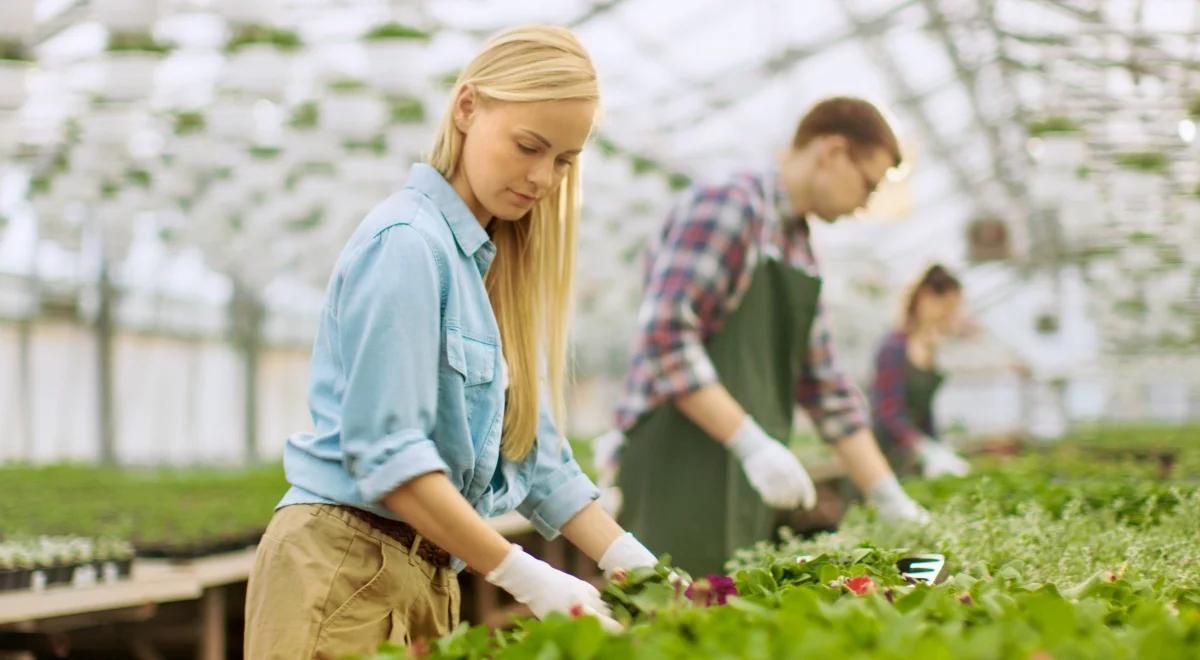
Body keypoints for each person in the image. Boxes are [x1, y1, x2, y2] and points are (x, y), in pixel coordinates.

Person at [244, 26, 657, 659]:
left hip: (427, 573)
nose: (543, 177)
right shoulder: (409, 245)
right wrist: (524, 573)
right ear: (467, 108)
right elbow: (391, 457)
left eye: (564, 161)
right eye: (528, 146)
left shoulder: (487, 270)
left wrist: (636, 567)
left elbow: (538, 456)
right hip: (344, 565)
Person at [607, 97, 930, 576]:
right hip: (679, 467)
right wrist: (750, 444)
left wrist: (888, 496)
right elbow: (665, 337)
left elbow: (825, 387)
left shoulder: (797, 245)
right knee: (664, 625)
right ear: (833, 152)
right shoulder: (730, 206)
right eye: (869, 183)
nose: (865, 204)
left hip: (740, 476)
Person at [871, 264, 971, 478]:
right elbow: (888, 413)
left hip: (913, 458)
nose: (950, 314)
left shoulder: (930, 348)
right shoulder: (894, 348)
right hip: (884, 456)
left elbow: (925, 412)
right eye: (946, 306)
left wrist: (937, 446)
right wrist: (922, 447)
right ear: (925, 298)